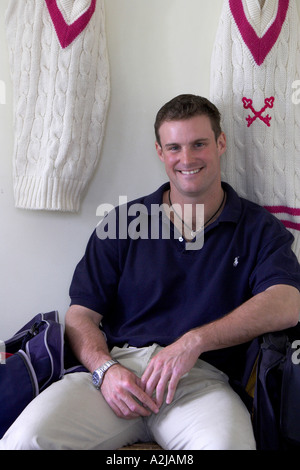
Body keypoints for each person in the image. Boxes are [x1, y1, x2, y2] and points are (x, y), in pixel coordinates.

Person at [1, 94, 300, 450]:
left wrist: (194, 341)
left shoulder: (258, 227)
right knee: (24, 441)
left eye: (199, 144)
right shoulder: (123, 223)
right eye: (174, 147)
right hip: (116, 373)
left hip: (202, 380)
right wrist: (104, 370)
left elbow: (287, 302)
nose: (186, 159)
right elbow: (80, 315)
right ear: (160, 152)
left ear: (221, 143)